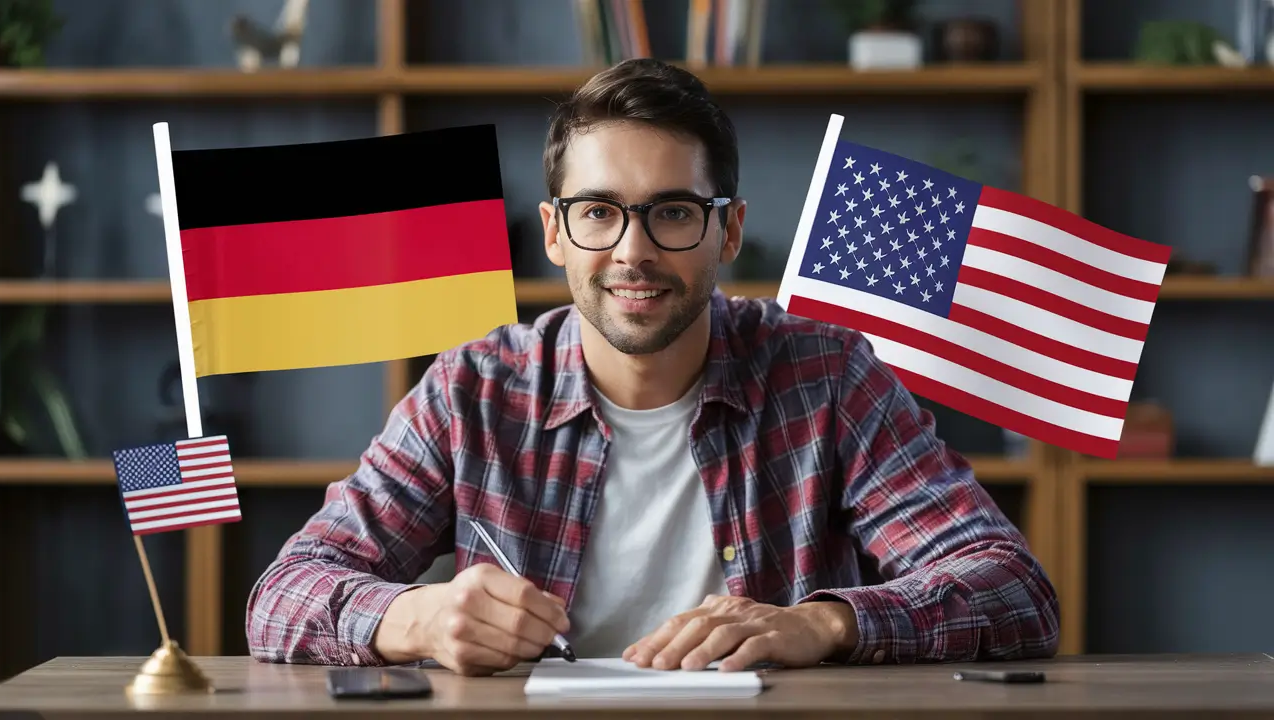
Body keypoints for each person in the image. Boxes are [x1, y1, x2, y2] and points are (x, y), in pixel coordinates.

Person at [245, 58, 1060, 676]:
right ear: (556, 232)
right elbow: (283, 595)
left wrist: (823, 622)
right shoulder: (472, 391)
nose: (633, 253)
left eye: (673, 212)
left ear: (729, 231)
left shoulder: (829, 377)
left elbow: (1011, 587)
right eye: (598, 212)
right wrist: (415, 619)